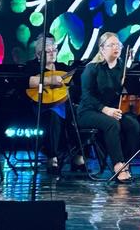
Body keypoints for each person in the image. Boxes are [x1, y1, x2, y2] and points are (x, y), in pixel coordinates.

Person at [77, 31, 140, 183]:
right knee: (112, 124)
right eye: (111, 45)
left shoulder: (121, 68)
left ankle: (126, 162)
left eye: (118, 45)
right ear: (102, 48)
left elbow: (129, 89)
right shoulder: (92, 68)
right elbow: (86, 96)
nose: (116, 47)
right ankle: (118, 165)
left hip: (112, 111)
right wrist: (104, 109)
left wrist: (131, 72)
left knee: (132, 124)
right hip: (89, 111)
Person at [25, 34, 84, 174]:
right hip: (42, 107)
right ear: (39, 55)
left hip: (65, 104)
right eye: (48, 51)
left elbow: (74, 85)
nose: (53, 53)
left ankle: (78, 156)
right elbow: (27, 81)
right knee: (53, 116)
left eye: (54, 50)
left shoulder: (62, 67)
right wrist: (49, 80)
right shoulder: (32, 66)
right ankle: (52, 158)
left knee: (81, 114)